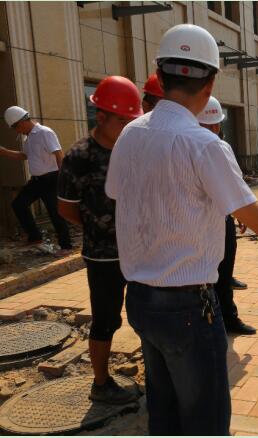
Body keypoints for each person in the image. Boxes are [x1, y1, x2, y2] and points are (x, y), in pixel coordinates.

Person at [105, 24, 258, 435]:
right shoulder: (205, 144)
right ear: (210, 83)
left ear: (161, 75)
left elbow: (117, 194)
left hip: (139, 298)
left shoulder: (129, 135)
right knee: (204, 419)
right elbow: (256, 218)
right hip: (187, 307)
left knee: (164, 409)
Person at [57, 76, 143, 404]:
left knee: (146, 312)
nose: (127, 127)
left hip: (139, 250)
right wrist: (100, 227)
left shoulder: (132, 149)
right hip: (103, 255)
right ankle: (101, 383)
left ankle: (157, 372)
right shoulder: (80, 156)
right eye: (122, 121)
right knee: (106, 318)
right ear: (101, 116)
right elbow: (66, 208)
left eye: (130, 121)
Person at [197, 96, 256, 335]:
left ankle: (229, 318)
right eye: (207, 125)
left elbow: (235, 182)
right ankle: (213, 322)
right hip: (201, 226)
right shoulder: (190, 148)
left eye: (216, 124)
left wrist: (240, 212)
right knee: (208, 276)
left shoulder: (223, 147)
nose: (213, 130)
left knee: (225, 272)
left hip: (224, 218)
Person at [1, 106, 71, 253]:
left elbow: (59, 154)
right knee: (18, 204)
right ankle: (35, 237)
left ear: (21, 122)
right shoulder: (29, 138)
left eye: (15, 128)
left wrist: (63, 178)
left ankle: (66, 245)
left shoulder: (45, 132)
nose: (17, 131)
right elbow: (24, 156)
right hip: (37, 181)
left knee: (55, 212)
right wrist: (4, 152)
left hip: (52, 178)